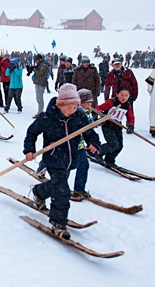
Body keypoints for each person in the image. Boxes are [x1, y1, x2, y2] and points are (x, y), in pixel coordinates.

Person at [23, 84, 101, 239]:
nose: (71, 111)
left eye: (74, 107)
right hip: (53, 158)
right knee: (62, 190)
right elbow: (32, 132)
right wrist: (29, 150)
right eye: (68, 107)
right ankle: (59, 223)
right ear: (59, 105)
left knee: (57, 184)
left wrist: (94, 144)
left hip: (71, 158)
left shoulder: (79, 117)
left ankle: (39, 192)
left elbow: (89, 132)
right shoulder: (47, 117)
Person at [95, 86, 135, 167]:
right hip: (108, 125)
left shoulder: (127, 105)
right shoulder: (112, 102)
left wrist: (131, 125)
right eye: (122, 95)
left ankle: (110, 160)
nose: (124, 97)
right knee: (113, 144)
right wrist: (101, 115)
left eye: (126, 95)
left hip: (117, 126)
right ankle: (97, 152)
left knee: (119, 146)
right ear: (117, 94)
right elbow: (98, 108)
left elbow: (130, 116)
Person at [72, 89, 96, 198]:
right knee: (64, 167)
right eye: (87, 103)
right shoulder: (74, 112)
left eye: (91, 103)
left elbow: (88, 130)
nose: (89, 105)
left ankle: (79, 189)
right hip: (68, 145)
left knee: (83, 165)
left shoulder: (88, 113)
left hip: (80, 144)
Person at [32, 54, 49, 118]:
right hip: (37, 82)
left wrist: (34, 69)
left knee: (40, 98)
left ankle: (40, 112)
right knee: (38, 98)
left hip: (41, 83)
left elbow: (40, 73)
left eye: (36, 60)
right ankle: (39, 112)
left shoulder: (44, 64)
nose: (36, 61)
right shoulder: (40, 64)